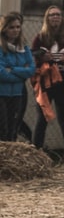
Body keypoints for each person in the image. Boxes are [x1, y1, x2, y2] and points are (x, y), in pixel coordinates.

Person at [30, 6, 64, 158]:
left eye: (58, 14)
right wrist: (41, 58)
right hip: (45, 84)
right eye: (52, 15)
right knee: (42, 119)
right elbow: (32, 57)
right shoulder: (40, 37)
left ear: (62, 18)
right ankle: (36, 155)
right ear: (47, 18)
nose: (55, 17)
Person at [0, 13, 36, 142]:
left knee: (13, 129)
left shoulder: (23, 48)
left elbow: (31, 70)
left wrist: (13, 70)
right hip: (2, 94)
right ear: (4, 29)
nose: (15, 30)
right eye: (11, 27)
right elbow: (1, 73)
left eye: (18, 27)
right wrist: (21, 74)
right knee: (2, 129)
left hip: (17, 94)